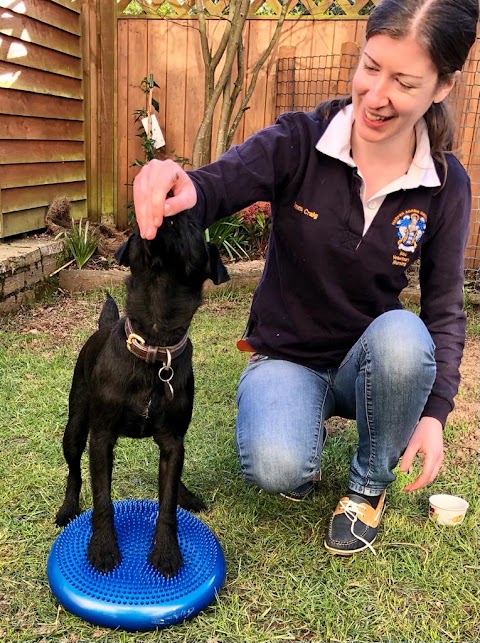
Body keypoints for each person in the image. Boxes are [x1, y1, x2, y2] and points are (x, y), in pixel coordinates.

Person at [132, 0, 479, 555]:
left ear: (441, 86)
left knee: (405, 339)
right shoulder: (300, 140)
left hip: (371, 359)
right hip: (287, 353)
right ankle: (297, 417)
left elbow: (443, 307)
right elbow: (219, 182)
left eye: (405, 82)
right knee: (276, 468)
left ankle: (367, 486)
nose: (377, 94)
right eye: (370, 67)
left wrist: (436, 412)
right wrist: (177, 182)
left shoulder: (445, 183)